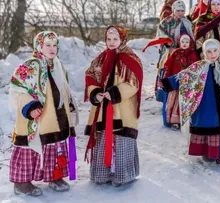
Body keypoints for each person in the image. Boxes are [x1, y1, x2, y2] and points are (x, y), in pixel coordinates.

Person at [9, 31, 78, 196]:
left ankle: (55, 176)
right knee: (30, 147)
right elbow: (18, 89)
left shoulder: (58, 65)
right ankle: (22, 182)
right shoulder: (30, 65)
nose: (52, 48)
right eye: (48, 45)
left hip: (57, 116)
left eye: (55, 45)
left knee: (55, 144)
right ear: (39, 45)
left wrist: (69, 104)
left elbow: (64, 88)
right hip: (36, 116)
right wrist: (30, 107)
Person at [84, 25, 143, 186]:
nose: (111, 42)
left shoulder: (130, 58)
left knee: (120, 139)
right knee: (103, 137)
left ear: (122, 39)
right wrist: (96, 92)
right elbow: (90, 77)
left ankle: (121, 176)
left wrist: (115, 92)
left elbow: (134, 82)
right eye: (109, 39)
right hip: (103, 108)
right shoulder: (100, 59)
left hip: (122, 109)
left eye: (115, 39)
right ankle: (102, 174)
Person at [153, 0, 193, 101]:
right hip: (169, 51)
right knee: (166, 68)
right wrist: (167, 41)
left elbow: (193, 34)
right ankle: (164, 95)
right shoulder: (167, 21)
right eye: (178, 10)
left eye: (182, 11)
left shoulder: (187, 22)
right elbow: (161, 33)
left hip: (184, 51)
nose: (180, 13)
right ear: (173, 10)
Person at [163, 34, 199, 130]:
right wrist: (167, 78)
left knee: (186, 102)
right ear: (180, 42)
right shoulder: (175, 53)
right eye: (183, 42)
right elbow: (168, 66)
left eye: (187, 42)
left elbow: (196, 68)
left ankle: (187, 122)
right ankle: (175, 122)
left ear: (190, 43)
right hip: (176, 82)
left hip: (188, 83)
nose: (184, 44)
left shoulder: (193, 54)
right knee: (175, 101)